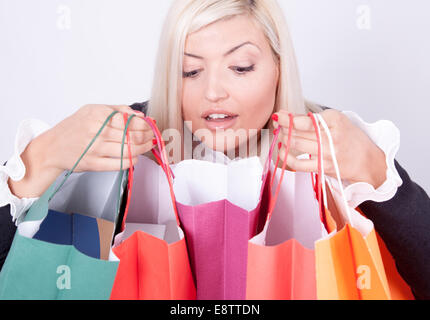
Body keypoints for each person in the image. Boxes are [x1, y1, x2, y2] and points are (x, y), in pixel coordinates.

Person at [0, 0, 428, 299]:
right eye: (190, 70)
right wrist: (37, 163)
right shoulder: (118, 141)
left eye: (240, 67)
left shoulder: (328, 143)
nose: (214, 92)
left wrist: (380, 178)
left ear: (279, 67)